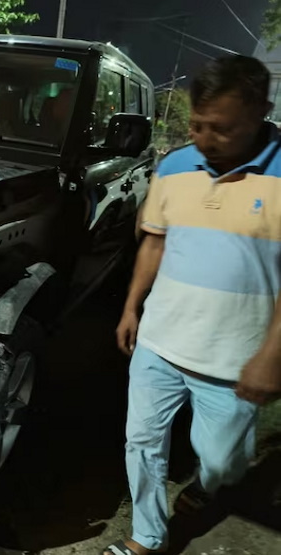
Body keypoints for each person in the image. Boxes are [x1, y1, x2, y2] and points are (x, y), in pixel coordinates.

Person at [104, 55, 281, 555]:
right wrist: (132, 307)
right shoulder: (175, 165)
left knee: (223, 462)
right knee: (142, 443)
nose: (205, 138)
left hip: (235, 359)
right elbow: (155, 243)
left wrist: (271, 355)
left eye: (222, 129)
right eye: (198, 124)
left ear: (261, 111)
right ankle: (146, 537)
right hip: (160, 341)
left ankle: (210, 483)